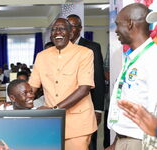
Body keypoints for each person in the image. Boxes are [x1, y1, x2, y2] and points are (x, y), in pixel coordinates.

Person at [29, 18, 97, 150]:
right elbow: (32, 87)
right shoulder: (41, 56)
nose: (57, 32)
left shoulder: (85, 53)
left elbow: (84, 89)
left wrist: (55, 110)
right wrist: (12, 101)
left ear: (71, 33)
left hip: (78, 123)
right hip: (51, 123)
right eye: (54, 29)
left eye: (62, 29)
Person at [107, 3, 157, 150]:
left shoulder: (152, 58)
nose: (116, 30)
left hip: (141, 142)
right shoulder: (132, 58)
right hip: (125, 139)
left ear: (129, 24)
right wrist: (117, 142)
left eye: (117, 25)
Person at [67, 14, 106, 150]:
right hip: (65, 107)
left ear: (80, 29)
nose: (70, 30)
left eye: (73, 26)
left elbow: (98, 80)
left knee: (89, 143)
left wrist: (98, 109)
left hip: (87, 106)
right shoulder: (60, 47)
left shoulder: (92, 47)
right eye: (67, 26)